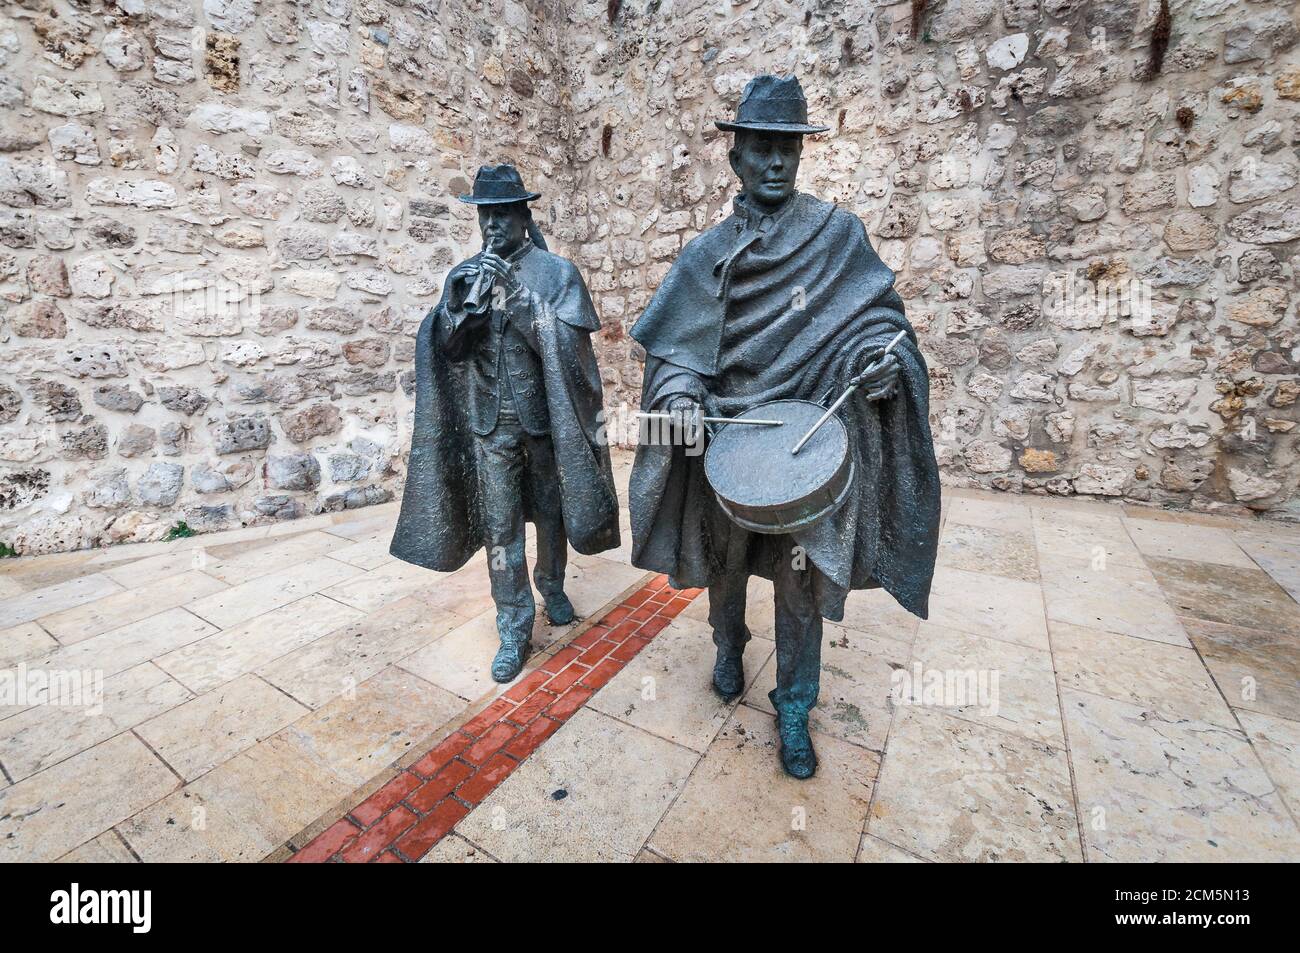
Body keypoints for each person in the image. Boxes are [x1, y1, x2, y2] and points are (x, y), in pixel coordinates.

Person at [628, 76, 940, 778]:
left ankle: (796, 705)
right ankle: (728, 640)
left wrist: (881, 364)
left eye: (788, 150)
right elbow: (673, 355)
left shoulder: (837, 237)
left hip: (807, 448)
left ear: (801, 155)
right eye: (762, 149)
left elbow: (879, 326)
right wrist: (679, 397)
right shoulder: (703, 254)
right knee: (725, 565)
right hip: (729, 447)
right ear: (735, 158)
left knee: (800, 581)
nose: (776, 163)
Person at [391, 164, 620, 682]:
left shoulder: (556, 272)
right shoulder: (468, 272)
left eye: (502, 216)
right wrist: (456, 313)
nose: (492, 227)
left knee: (552, 512)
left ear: (523, 216)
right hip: (489, 426)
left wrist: (515, 299)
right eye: (485, 217)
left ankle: (552, 584)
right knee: (501, 526)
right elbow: (447, 353)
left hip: (543, 423)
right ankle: (513, 623)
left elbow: (570, 351)